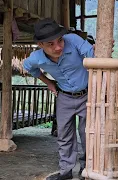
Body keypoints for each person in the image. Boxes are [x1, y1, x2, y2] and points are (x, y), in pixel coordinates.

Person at [23, 18, 94, 180]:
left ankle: (86, 169)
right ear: (40, 45)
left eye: (60, 40)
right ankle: (66, 171)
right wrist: (48, 83)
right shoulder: (36, 58)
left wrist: (99, 49)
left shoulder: (74, 40)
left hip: (87, 95)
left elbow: (91, 54)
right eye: (51, 44)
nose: (58, 47)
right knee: (64, 135)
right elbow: (28, 67)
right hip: (64, 97)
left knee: (87, 133)